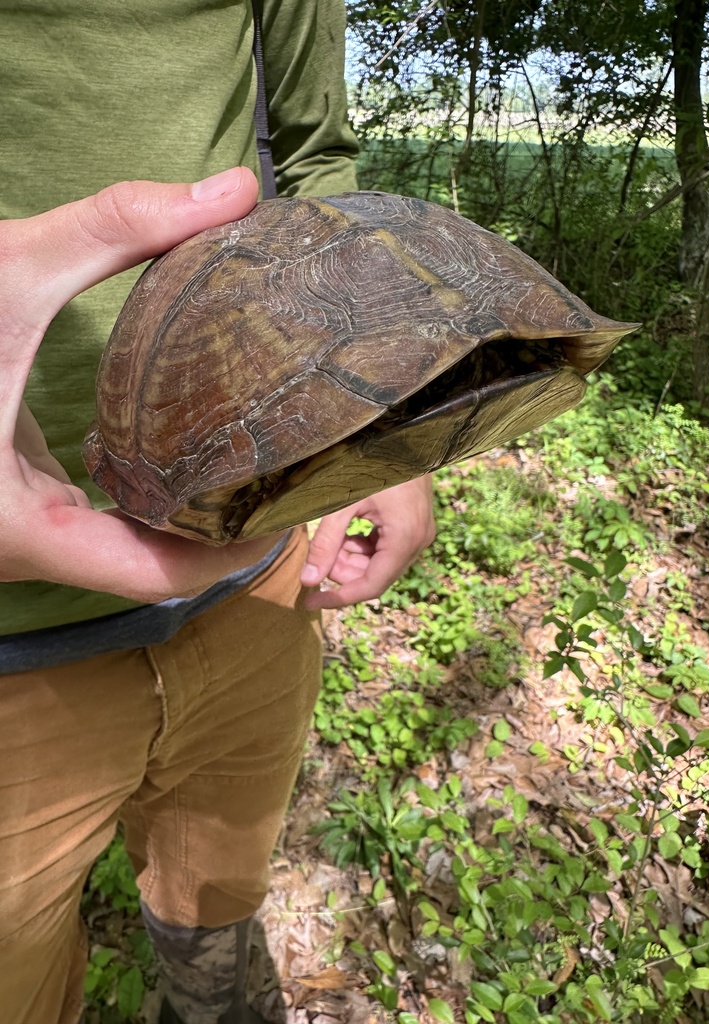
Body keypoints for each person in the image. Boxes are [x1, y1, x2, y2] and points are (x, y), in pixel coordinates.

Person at [0, 2, 435, 1023]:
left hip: (253, 572)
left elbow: (317, 157)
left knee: (215, 910)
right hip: (12, 646)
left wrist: (382, 423)